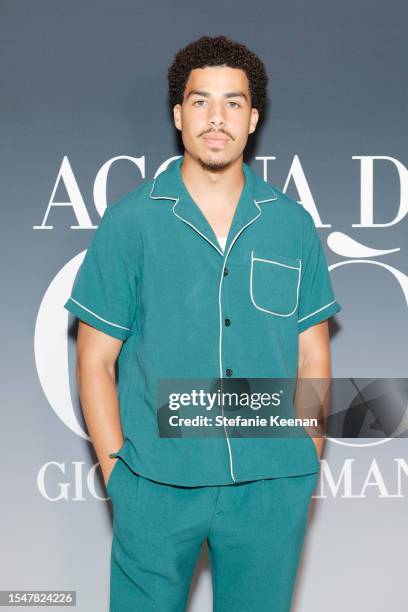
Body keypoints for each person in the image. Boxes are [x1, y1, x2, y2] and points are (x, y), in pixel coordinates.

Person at [64, 35, 341, 612]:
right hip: (155, 486)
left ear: (253, 117)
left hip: (270, 486)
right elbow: (94, 359)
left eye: (233, 102)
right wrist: (120, 476)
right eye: (200, 101)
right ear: (177, 114)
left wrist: (305, 459)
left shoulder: (292, 225)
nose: (217, 118)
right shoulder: (129, 223)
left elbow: (312, 355)